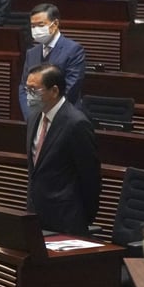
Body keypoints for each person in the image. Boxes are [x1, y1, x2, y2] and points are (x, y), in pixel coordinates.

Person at [23, 64, 100, 235]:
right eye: (27, 89)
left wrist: (83, 218)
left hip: (66, 219)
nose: (28, 95)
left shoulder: (76, 124)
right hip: (36, 214)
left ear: (54, 91)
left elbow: (90, 177)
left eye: (34, 90)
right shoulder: (34, 117)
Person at [17, 3, 86, 120]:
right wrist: (31, 115)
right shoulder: (32, 53)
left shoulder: (74, 50)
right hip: (35, 117)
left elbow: (71, 87)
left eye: (40, 25)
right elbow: (24, 87)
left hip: (64, 117)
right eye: (33, 26)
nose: (36, 30)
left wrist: (49, 113)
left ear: (55, 24)